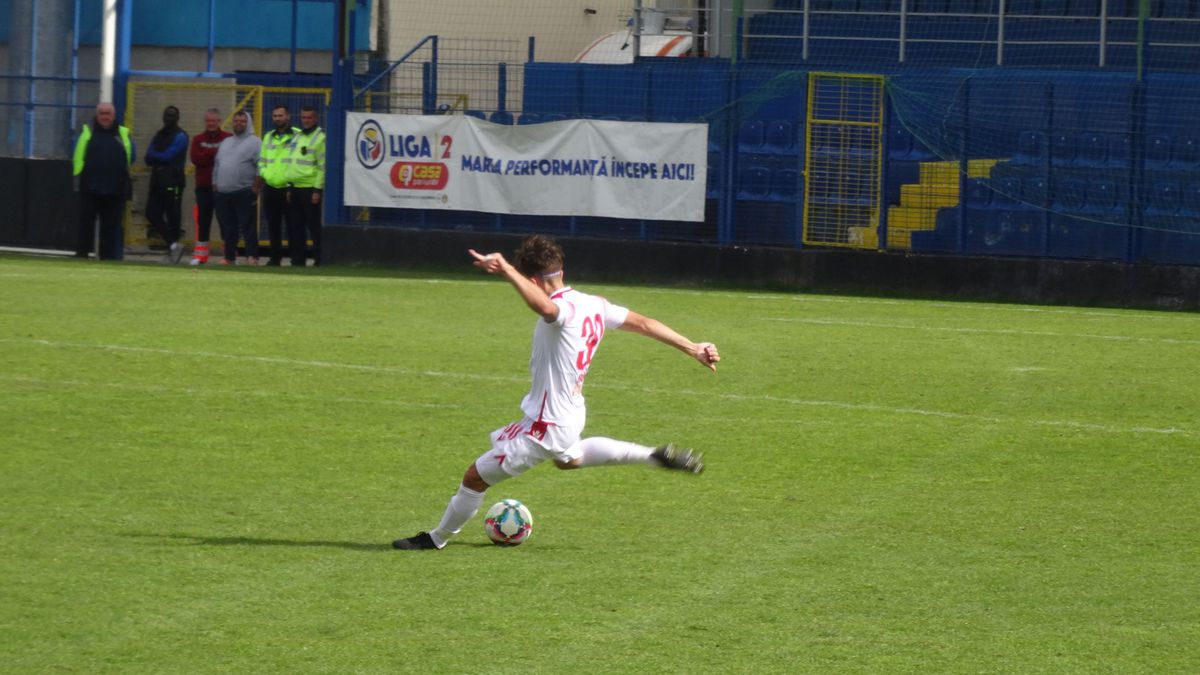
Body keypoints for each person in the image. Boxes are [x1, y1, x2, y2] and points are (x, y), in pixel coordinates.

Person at [393, 235, 721, 550]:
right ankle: (651, 455)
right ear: (561, 271)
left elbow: (547, 311)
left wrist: (506, 270)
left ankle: (436, 539)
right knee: (570, 459)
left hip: (546, 425)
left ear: (532, 280)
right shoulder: (594, 304)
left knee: (475, 478)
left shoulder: (561, 310)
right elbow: (645, 323)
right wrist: (692, 347)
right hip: (570, 413)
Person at [73, 102, 133, 261]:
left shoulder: (123, 134)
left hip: (115, 189)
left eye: (108, 113)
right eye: (102, 113)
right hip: (89, 187)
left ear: (114, 116)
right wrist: (79, 182)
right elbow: (78, 158)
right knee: (86, 224)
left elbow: (130, 159)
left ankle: (108, 257)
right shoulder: (88, 132)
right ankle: (82, 254)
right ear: (97, 115)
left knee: (110, 226)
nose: (105, 117)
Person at [212, 110, 261, 265]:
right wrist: (215, 183)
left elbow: (261, 166)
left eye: (242, 121)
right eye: (236, 121)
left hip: (244, 191)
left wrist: (256, 187)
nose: (239, 123)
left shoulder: (255, 142)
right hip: (223, 192)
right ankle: (229, 257)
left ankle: (252, 256)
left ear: (248, 123)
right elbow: (217, 164)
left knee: (248, 226)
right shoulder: (226, 142)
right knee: (227, 227)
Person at [143, 105, 189, 263]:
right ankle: (173, 244)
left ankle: (174, 253)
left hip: (173, 180)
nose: (168, 118)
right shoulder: (159, 134)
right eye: (166, 115)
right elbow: (148, 157)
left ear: (177, 118)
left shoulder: (181, 135)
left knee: (173, 216)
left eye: (171, 115)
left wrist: (157, 157)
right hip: (157, 180)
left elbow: (169, 156)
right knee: (151, 213)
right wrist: (158, 157)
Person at [284, 105, 326, 267]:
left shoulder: (320, 138)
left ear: (316, 119)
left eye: (309, 118)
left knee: (313, 226)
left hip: (309, 188)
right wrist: (288, 186)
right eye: (303, 118)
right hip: (294, 188)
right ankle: (298, 260)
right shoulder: (297, 136)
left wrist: (317, 189)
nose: (306, 121)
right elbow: (291, 162)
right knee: (296, 227)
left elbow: (322, 166)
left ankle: (319, 259)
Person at [188, 108, 232, 265]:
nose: (211, 123)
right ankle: (200, 256)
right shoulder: (197, 139)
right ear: (205, 122)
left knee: (224, 220)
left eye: (214, 120)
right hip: (204, 187)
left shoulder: (228, 138)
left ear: (219, 121)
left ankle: (228, 255)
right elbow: (196, 159)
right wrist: (214, 153)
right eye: (208, 121)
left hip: (223, 187)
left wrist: (207, 153)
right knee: (203, 221)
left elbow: (228, 159)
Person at [256, 105, 297, 266]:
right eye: (274, 116)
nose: (277, 118)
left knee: (292, 225)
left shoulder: (297, 136)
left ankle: (295, 258)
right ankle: (275, 258)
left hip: (288, 187)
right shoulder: (268, 137)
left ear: (288, 117)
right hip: (271, 186)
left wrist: (290, 183)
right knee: (273, 225)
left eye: (280, 115)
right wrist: (266, 175)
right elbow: (262, 161)